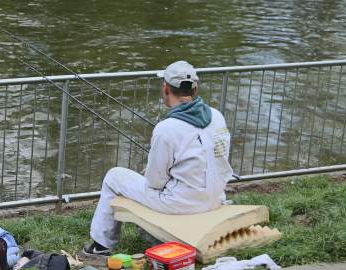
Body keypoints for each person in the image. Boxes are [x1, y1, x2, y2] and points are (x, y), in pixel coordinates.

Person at [81, 60, 233, 259]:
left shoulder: (166, 128)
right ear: (195, 89)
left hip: (181, 204)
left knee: (113, 177)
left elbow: (155, 182)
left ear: (166, 87)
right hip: (215, 198)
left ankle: (101, 246)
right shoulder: (216, 116)